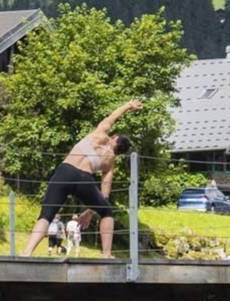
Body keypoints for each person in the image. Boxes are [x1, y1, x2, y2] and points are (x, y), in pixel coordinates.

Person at [22, 100, 143, 259]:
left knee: (46, 214)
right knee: (106, 211)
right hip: (84, 179)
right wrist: (91, 211)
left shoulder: (99, 133)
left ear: (114, 136)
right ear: (120, 153)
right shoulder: (110, 162)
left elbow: (113, 116)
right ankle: (107, 255)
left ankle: (26, 252)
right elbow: (104, 195)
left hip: (64, 171)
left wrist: (128, 106)